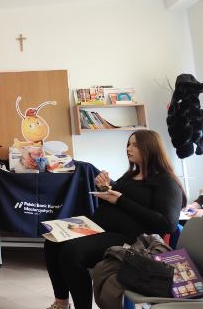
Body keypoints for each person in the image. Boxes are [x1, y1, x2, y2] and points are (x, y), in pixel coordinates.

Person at [44, 129, 185, 309]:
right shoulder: (129, 177)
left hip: (132, 240)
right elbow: (116, 200)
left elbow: (168, 224)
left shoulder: (166, 182)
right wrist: (105, 188)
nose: (128, 149)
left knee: (71, 252)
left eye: (135, 145)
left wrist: (120, 200)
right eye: (128, 144)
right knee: (52, 240)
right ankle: (62, 303)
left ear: (150, 148)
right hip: (100, 228)